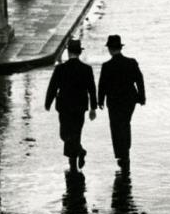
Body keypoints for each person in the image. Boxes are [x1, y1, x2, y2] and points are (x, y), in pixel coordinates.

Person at [45, 39, 97, 173]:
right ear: (79, 53)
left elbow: (53, 87)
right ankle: (76, 158)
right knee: (76, 133)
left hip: (64, 106)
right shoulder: (86, 69)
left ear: (68, 52)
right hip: (80, 107)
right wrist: (93, 108)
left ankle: (75, 159)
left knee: (65, 134)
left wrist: (48, 102)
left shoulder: (60, 68)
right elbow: (92, 90)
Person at [98, 35, 146, 172]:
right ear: (120, 48)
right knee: (125, 123)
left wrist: (100, 101)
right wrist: (142, 97)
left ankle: (121, 154)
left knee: (115, 126)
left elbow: (102, 85)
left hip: (114, 101)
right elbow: (139, 79)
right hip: (129, 100)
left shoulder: (107, 66)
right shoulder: (131, 62)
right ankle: (126, 152)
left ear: (110, 49)